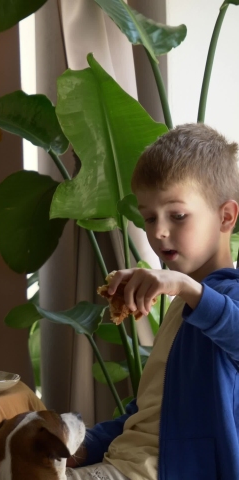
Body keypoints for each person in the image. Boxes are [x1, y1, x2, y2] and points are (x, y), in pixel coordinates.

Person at [66, 123, 239, 480]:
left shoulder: (222, 298)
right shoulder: (182, 305)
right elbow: (152, 411)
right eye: (148, 217)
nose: (159, 231)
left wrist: (185, 287)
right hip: (123, 463)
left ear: (225, 216)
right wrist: (84, 444)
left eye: (177, 216)